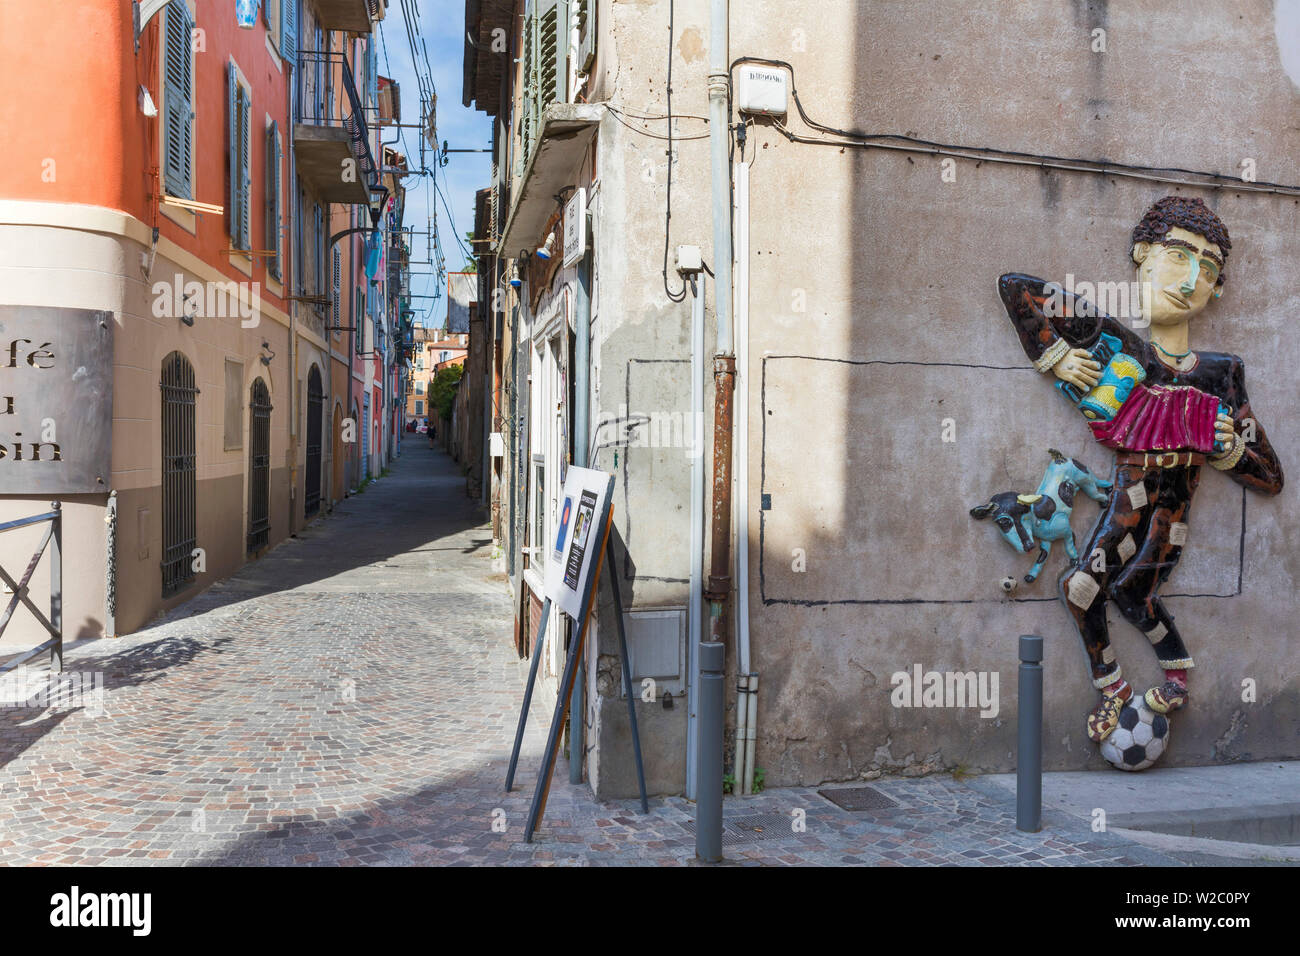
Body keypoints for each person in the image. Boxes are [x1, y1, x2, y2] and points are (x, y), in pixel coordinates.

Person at [998, 196, 1283, 743]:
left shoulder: (1222, 374)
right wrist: (1052, 353)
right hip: (1128, 499)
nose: (1192, 277)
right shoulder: (1118, 346)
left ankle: (1176, 677)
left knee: (1135, 594)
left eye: (1209, 268)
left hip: (1172, 510)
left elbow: (1270, 475)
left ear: (1217, 288)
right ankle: (1114, 687)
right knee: (1081, 587)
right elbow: (1019, 290)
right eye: (1179, 255)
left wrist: (1227, 453)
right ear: (1143, 254)